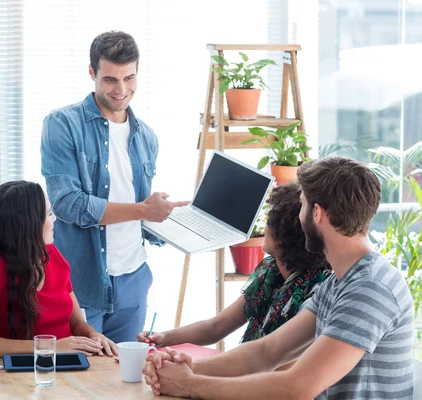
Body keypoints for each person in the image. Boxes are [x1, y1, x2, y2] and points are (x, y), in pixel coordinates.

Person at [143, 156, 414, 400]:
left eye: (303, 205)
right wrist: (186, 367)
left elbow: (298, 387)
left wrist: (190, 385)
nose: (300, 214)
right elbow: (267, 352)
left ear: (317, 213)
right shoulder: (341, 282)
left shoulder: (369, 288)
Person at [41, 30, 189, 343]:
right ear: (92, 73)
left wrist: (171, 223)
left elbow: (138, 213)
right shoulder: (62, 125)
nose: (121, 89)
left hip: (133, 279)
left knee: (127, 383)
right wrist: (143, 210)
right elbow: (69, 204)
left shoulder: (146, 137)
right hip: (82, 282)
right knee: (80, 384)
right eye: (110, 79)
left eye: (129, 78)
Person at [137, 183, 331, 347]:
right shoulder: (271, 270)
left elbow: (274, 365)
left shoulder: (313, 294)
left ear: (283, 237)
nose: (264, 226)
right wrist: (163, 337)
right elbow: (216, 327)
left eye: (270, 219)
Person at [0, 181, 117, 358]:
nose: (54, 220)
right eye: (49, 214)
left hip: (66, 367)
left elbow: (75, 322)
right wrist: (47, 346)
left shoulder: (52, 255)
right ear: (27, 224)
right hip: (18, 375)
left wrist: (92, 335)